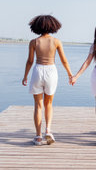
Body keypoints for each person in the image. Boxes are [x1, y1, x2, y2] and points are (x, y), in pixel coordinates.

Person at [22, 15, 73, 146]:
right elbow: (64, 60)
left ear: (37, 27)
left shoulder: (34, 42)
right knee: (48, 104)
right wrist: (70, 74)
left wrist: (25, 76)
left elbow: (29, 61)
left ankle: (38, 136)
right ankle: (48, 131)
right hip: (51, 71)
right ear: (52, 26)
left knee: (38, 106)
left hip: (38, 70)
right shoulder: (56, 41)